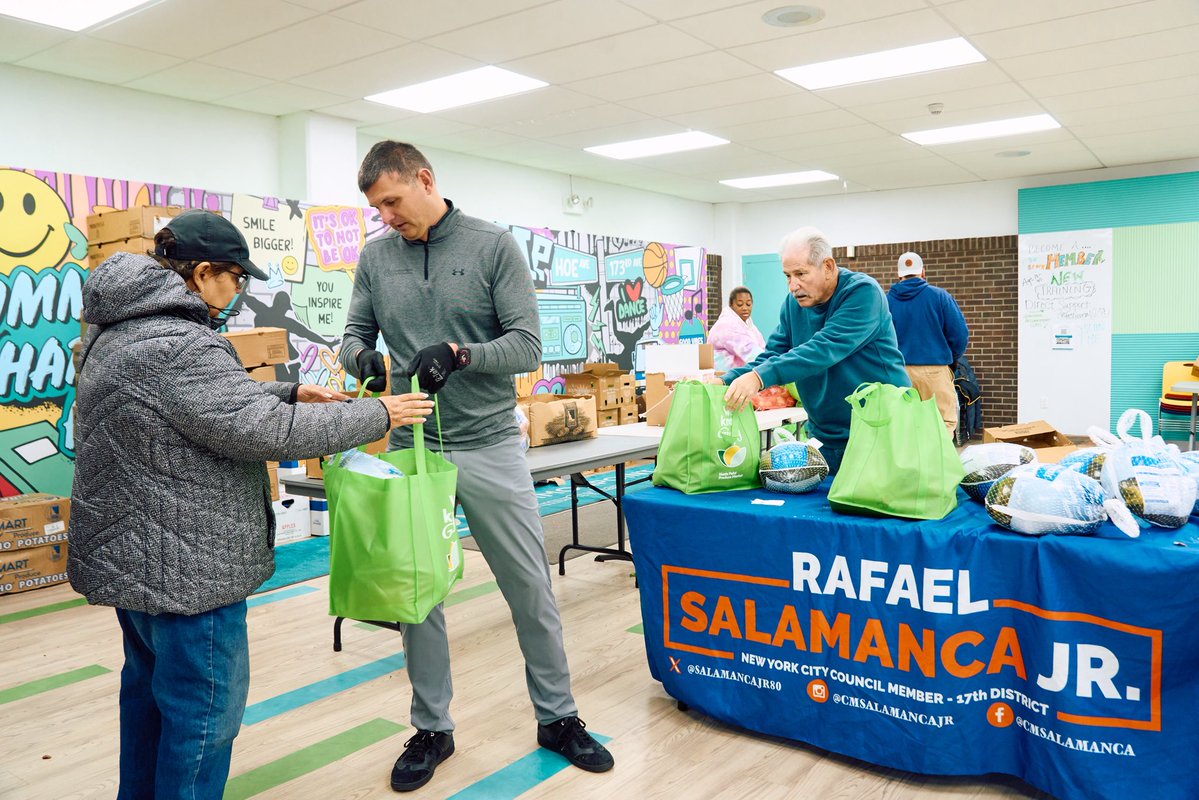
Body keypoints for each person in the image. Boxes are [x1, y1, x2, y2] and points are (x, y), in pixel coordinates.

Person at [68, 210, 434, 800]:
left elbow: (187, 404)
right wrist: (379, 413)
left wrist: (289, 390)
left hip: (134, 557)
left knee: (147, 700)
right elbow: (260, 431)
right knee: (202, 717)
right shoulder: (178, 343)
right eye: (235, 279)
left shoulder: (120, 330)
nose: (238, 292)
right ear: (204, 272)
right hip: (188, 569)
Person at [339, 141, 614, 793]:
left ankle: (558, 717)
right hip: (412, 445)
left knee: (529, 587)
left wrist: (462, 355)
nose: (386, 218)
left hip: (489, 443)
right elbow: (353, 336)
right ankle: (432, 727)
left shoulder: (493, 246)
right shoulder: (376, 257)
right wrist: (366, 363)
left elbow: (526, 346)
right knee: (417, 597)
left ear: (424, 180)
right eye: (376, 208)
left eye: (392, 202)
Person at [723, 227, 909, 473]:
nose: (793, 285)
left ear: (828, 266)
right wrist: (725, 380)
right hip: (825, 434)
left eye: (801, 273)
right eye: (787, 276)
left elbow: (824, 348)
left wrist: (759, 378)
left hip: (880, 431)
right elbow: (774, 353)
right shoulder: (793, 304)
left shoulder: (862, 293)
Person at [886, 251, 969, 437]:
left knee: (905, 428)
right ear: (923, 271)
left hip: (899, 373)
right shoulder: (940, 296)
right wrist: (950, 362)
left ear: (899, 274)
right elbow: (960, 336)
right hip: (935, 371)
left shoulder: (886, 301)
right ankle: (937, 465)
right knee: (942, 427)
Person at [708, 286, 766, 371]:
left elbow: (762, 348)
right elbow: (748, 350)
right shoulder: (726, 325)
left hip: (740, 376)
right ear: (731, 305)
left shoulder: (750, 326)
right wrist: (771, 365)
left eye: (748, 304)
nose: (745, 308)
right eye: (740, 304)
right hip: (723, 379)